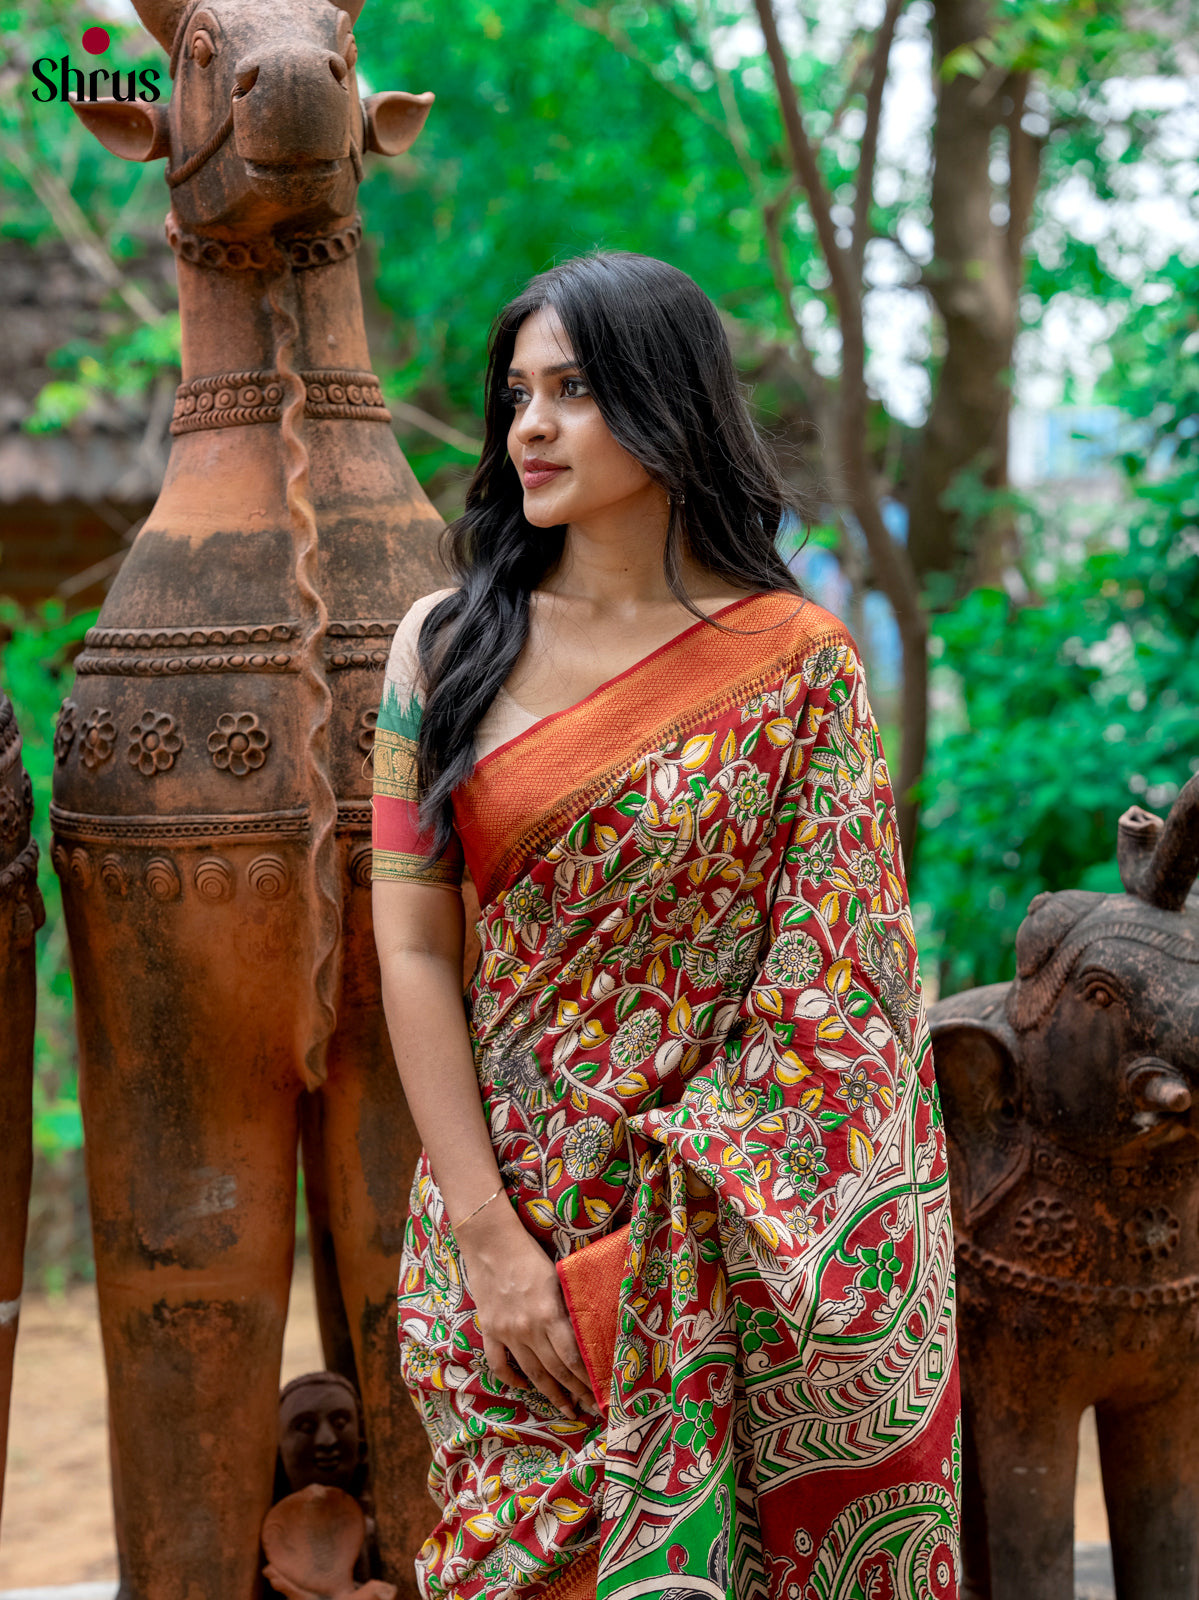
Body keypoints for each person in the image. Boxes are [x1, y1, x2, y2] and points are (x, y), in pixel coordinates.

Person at [372, 252, 960, 1600]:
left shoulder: (795, 665)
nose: (528, 425)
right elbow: (411, 949)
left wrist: (677, 1240)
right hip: (501, 1231)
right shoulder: (441, 650)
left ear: (667, 399)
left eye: (571, 390)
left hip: (726, 1257)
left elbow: (844, 996)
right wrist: (489, 1239)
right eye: (516, 393)